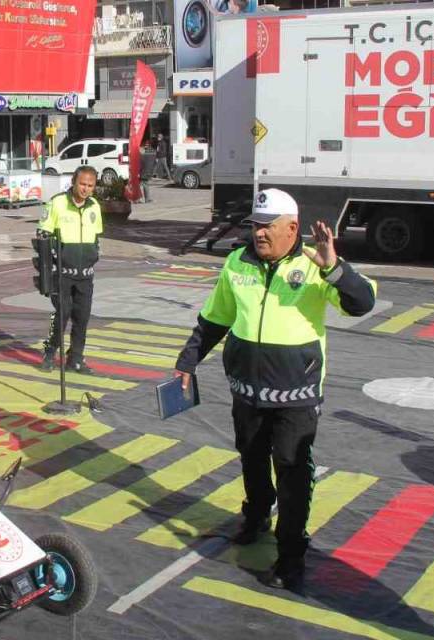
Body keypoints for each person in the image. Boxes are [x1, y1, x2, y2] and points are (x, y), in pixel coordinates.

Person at [173, 188, 376, 590]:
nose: (259, 234)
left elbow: (362, 302)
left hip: (295, 393)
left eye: (268, 227)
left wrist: (333, 267)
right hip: (246, 389)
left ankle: (291, 554)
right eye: (256, 226)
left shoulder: (317, 264)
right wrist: (188, 360)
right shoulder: (238, 261)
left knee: (292, 468)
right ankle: (256, 515)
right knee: (251, 453)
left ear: (292, 228)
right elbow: (216, 318)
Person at [38, 166, 104, 374]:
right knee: (63, 313)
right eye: (82, 184)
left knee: (82, 317)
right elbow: (43, 235)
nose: (85, 189)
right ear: (74, 182)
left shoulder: (94, 207)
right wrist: (49, 269)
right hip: (62, 274)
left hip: (85, 275)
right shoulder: (57, 203)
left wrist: (94, 256)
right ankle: (50, 350)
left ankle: (75, 358)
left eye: (90, 185)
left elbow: (96, 237)